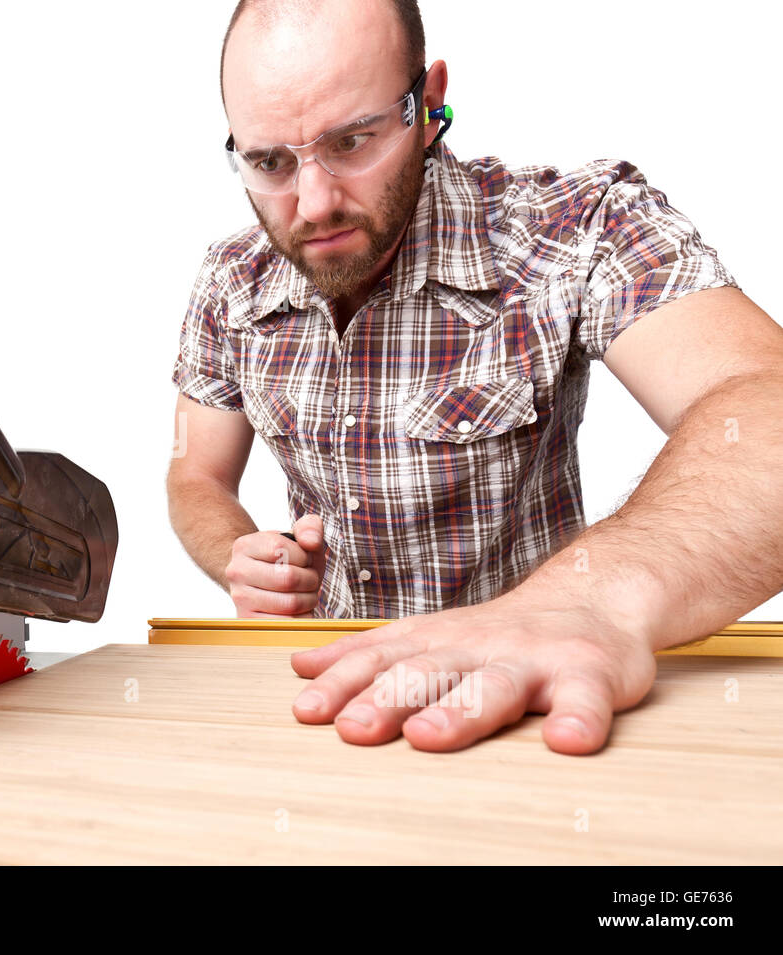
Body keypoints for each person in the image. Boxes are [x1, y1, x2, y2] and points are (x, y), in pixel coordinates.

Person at [166, 0, 783, 754]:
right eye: (270, 163)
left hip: (525, 716)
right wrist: (237, 551)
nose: (315, 202)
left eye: (353, 141)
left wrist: (591, 603)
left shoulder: (575, 227)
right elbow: (195, 474)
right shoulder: (229, 280)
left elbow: (764, 400)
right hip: (325, 705)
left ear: (427, 106)